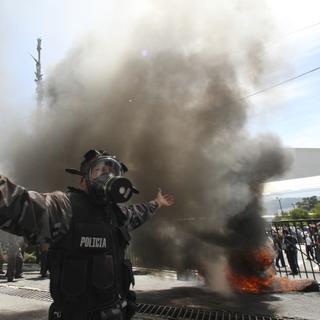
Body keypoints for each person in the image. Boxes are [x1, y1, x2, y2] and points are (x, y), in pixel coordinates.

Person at [0, 149, 174, 320]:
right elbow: (18, 204)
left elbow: (139, 212)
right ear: (84, 180)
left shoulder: (118, 216)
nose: (109, 176)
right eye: (101, 171)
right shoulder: (65, 208)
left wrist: (156, 203)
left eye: (114, 172)